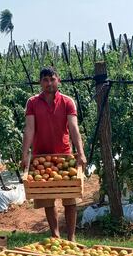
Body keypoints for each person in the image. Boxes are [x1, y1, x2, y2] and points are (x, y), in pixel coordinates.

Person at [21, 66, 86, 241]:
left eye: (52, 79)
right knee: (47, 197)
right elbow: (29, 129)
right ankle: (55, 235)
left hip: (64, 155)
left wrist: (80, 152)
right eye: (45, 80)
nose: (49, 83)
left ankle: (71, 237)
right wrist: (25, 154)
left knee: (70, 198)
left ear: (58, 80)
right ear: (40, 82)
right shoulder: (32, 102)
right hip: (41, 156)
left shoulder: (67, 101)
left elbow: (73, 128)